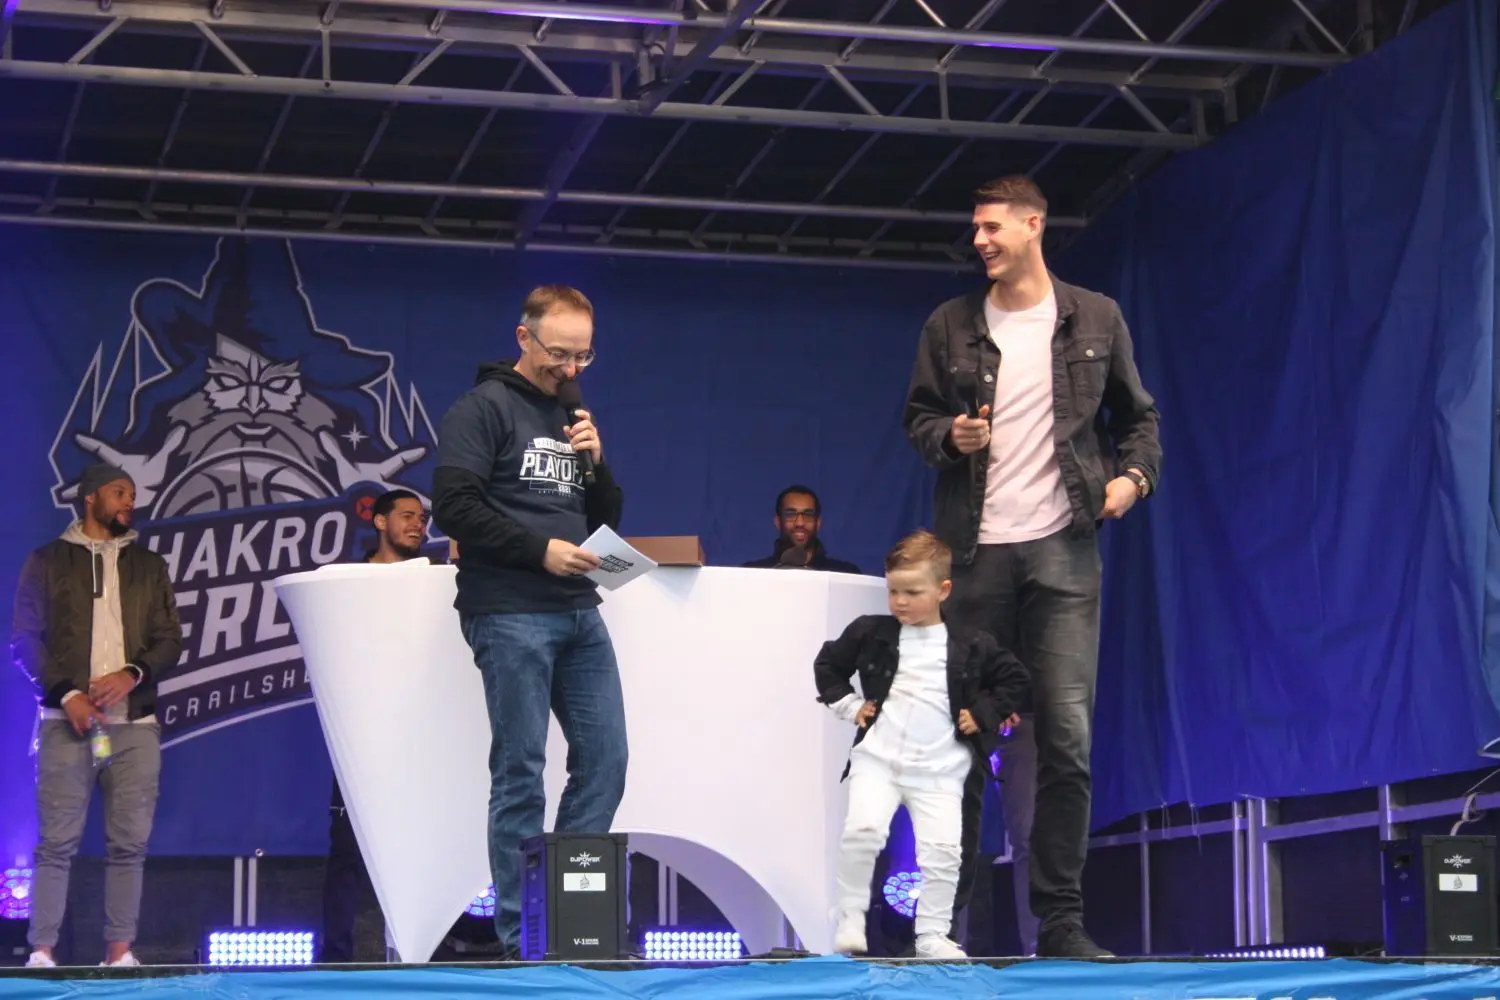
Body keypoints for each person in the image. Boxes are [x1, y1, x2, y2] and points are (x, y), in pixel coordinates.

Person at [902, 175, 1162, 958]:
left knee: (1067, 740)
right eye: (976, 229)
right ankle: (946, 926)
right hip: (976, 555)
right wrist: (952, 435)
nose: (979, 240)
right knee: (963, 741)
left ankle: (1060, 924)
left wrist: (1132, 479)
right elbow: (916, 419)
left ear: (1033, 225)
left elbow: (1139, 419)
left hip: (1063, 550)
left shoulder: (1095, 317)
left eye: (991, 227)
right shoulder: (951, 324)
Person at [431, 284, 627, 959]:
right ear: (524, 338)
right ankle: (526, 939)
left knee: (606, 761)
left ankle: (569, 921)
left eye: (582, 355)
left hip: (579, 610)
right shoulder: (480, 409)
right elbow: (453, 507)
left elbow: (606, 521)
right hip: (509, 609)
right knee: (521, 772)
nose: (569, 368)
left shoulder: (571, 416)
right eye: (557, 352)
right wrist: (537, 550)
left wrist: (595, 463)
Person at [814, 530, 1028, 960]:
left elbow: (1015, 679)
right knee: (862, 832)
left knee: (945, 851)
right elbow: (828, 664)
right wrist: (851, 706)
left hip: (942, 768)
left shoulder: (971, 642)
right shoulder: (871, 632)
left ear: (943, 589)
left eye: (913, 592)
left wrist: (983, 713)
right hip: (879, 759)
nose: (900, 602)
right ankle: (851, 916)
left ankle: (932, 933)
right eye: (893, 590)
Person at [11, 463, 183, 968]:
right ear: (90, 499)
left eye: (132, 493)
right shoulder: (46, 561)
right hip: (67, 724)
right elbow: (25, 640)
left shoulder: (148, 566)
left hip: (135, 727)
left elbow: (170, 639)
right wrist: (68, 695)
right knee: (56, 843)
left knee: (129, 845)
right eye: (119, 492)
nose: (130, 500)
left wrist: (132, 673)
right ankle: (41, 951)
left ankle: (119, 953)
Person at [319, 488, 438, 963]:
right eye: (407, 516)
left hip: (420, 736)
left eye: (423, 518)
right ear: (380, 522)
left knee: (419, 853)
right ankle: (335, 961)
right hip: (361, 736)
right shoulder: (344, 581)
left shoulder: (436, 581)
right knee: (348, 854)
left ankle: (414, 953)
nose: (418, 524)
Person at [741, 485, 861, 573]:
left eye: (808, 515)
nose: (800, 523)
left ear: (818, 523)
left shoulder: (845, 574)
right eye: (791, 514)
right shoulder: (752, 574)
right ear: (777, 521)